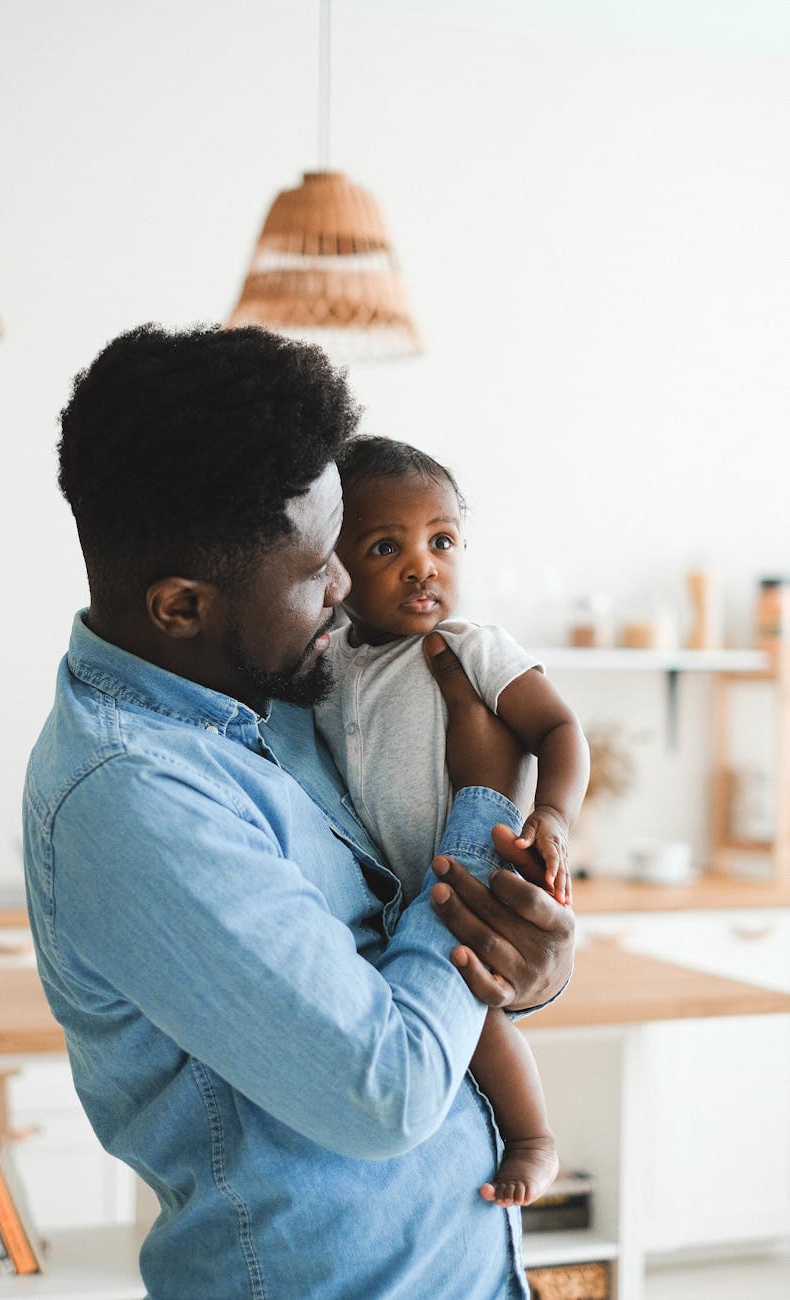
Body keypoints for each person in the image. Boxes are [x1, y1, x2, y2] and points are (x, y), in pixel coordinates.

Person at [22, 323, 575, 1300]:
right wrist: (482, 799)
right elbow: (388, 1088)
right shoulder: (134, 795)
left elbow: (410, 953)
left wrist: (519, 958)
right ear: (181, 607)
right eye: (319, 563)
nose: (347, 587)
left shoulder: (282, 694)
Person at [315, 434, 590, 1210]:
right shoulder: (326, 663)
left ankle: (532, 1138)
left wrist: (554, 819)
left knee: (476, 1004)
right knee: (426, 1024)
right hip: (396, 891)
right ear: (332, 569)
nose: (421, 565)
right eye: (383, 546)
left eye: (440, 541)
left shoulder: (472, 648)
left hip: (472, 869)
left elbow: (560, 731)